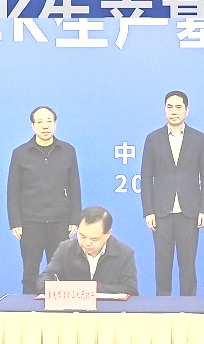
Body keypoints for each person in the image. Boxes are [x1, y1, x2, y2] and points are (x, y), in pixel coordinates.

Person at [140, 90, 204, 296]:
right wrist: (148, 211)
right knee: (162, 265)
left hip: (189, 212)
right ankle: (162, 307)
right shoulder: (153, 139)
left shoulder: (198, 138)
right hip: (161, 212)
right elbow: (145, 178)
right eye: (169, 107)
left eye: (178, 107)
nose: (174, 111)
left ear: (186, 111)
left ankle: (188, 307)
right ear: (164, 110)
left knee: (188, 265)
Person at [7, 106, 81, 294]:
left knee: (60, 272)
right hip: (30, 222)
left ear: (55, 124)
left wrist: (75, 219)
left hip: (60, 221)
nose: (45, 126)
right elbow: (13, 191)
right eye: (39, 122)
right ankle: (29, 308)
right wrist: (15, 221)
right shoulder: (20, 153)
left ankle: (59, 309)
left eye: (49, 121)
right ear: (33, 126)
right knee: (30, 272)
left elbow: (75, 188)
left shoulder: (68, 151)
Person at [37, 206, 138, 296]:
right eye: (82, 236)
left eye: (94, 239)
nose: (87, 243)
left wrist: (89, 289)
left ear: (108, 234)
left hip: (108, 309)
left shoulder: (124, 253)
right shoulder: (65, 249)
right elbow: (44, 280)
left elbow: (130, 289)